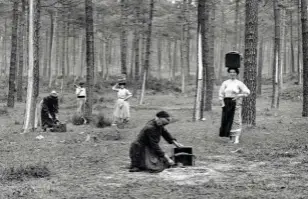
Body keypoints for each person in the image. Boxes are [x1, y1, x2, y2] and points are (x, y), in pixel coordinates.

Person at [219, 68, 250, 144]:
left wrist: (239, 95)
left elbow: (247, 92)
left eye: (234, 72)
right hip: (227, 103)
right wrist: (222, 104)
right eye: (230, 72)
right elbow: (221, 94)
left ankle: (236, 139)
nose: (232, 74)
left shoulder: (239, 83)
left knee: (236, 120)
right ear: (228, 73)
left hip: (235, 103)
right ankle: (231, 138)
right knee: (228, 120)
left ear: (237, 73)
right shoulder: (225, 83)